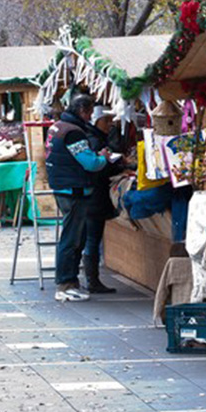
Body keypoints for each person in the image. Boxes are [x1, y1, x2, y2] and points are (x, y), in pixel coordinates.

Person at [45, 94, 112, 302]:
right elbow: (90, 163)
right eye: (90, 112)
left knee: (74, 236)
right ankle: (65, 283)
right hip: (73, 189)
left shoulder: (58, 126)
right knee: (72, 238)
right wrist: (104, 158)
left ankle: (70, 282)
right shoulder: (73, 133)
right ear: (82, 111)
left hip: (62, 187)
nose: (91, 116)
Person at [81, 107, 128, 295]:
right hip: (94, 196)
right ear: (95, 120)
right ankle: (92, 280)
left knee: (90, 237)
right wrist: (114, 164)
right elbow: (97, 168)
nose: (110, 124)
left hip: (91, 196)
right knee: (92, 237)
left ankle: (90, 279)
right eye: (106, 121)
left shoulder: (93, 137)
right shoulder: (94, 140)